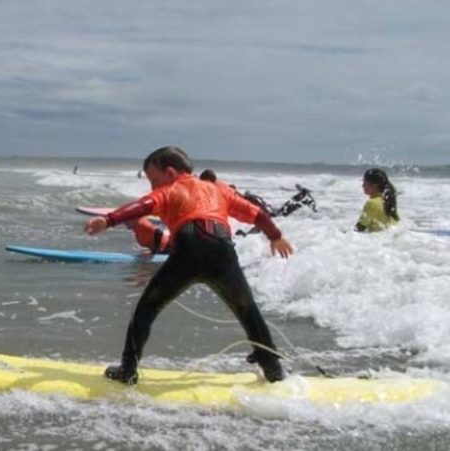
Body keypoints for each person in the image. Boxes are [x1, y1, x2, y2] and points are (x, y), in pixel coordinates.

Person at [84, 146, 294, 384]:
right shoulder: (219, 191)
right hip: (222, 252)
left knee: (146, 309)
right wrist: (275, 236)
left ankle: (128, 370)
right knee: (247, 310)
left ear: (171, 173)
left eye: (154, 180)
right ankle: (273, 370)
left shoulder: (170, 190)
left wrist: (108, 220)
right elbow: (256, 214)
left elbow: (142, 206)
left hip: (188, 249)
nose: (153, 187)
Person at [355, 168, 399, 232]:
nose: (362, 185)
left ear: (375, 185)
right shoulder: (388, 201)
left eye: (364, 182)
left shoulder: (371, 203)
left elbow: (359, 228)